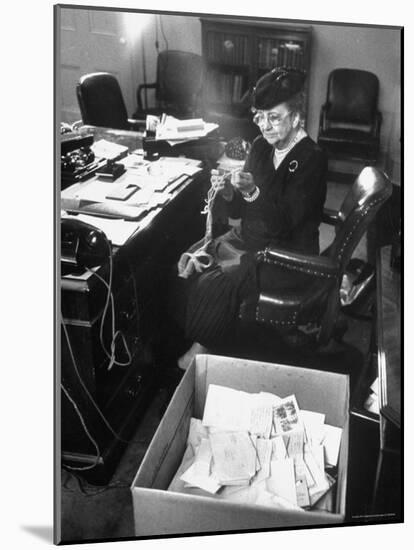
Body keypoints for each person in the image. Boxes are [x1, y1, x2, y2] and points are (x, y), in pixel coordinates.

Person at [176, 67, 328, 370]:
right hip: (254, 239)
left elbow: (284, 224)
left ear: (296, 117)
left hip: (287, 255)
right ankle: (217, 339)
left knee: (215, 281)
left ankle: (204, 349)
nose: (265, 126)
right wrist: (230, 193)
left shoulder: (311, 159)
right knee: (196, 254)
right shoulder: (260, 148)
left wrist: (252, 193)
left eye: (275, 117)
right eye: (260, 117)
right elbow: (239, 214)